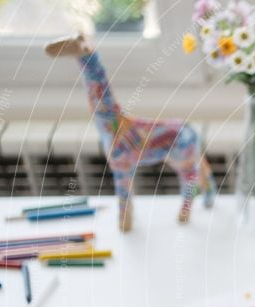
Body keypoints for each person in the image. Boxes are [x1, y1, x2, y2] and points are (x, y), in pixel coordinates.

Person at [43, 33, 216, 231]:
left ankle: (173, 209)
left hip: (173, 138)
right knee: (194, 164)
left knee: (188, 171)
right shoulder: (116, 131)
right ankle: (207, 194)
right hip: (165, 136)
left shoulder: (119, 139)